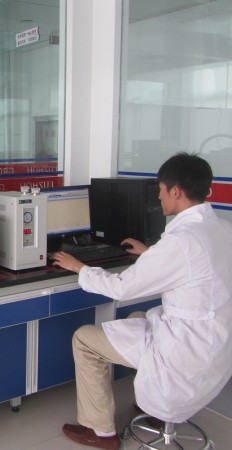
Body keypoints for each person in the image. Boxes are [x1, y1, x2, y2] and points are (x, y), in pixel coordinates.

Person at [50, 152, 232, 450]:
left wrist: (79, 267)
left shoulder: (180, 241)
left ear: (175, 191)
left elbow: (121, 288)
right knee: (138, 317)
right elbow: (201, 269)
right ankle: (157, 412)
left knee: (84, 339)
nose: (158, 197)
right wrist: (151, 254)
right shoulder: (222, 229)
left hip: (186, 356)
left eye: (160, 190)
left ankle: (100, 431)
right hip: (215, 350)